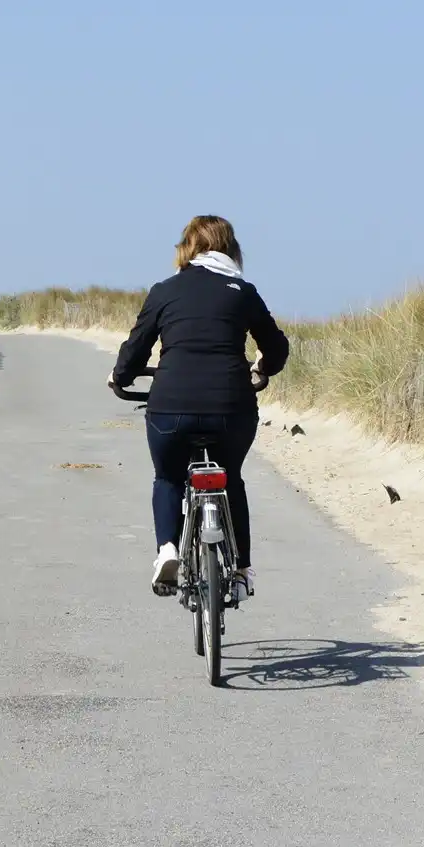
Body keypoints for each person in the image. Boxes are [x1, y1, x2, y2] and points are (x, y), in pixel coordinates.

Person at [108, 215, 289, 600]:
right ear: (231, 249)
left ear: (187, 249)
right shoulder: (242, 291)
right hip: (232, 407)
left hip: (171, 407)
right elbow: (276, 348)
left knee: (169, 478)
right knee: (232, 478)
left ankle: (168, 550)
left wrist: (120, 378)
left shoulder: (164, 291)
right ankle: (241, 572)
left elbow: (136, 347)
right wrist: (261, 367)